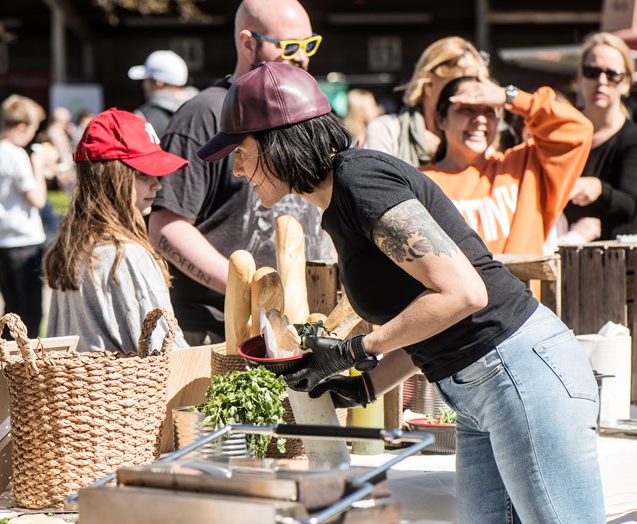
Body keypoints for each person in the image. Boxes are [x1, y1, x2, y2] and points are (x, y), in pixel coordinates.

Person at [199, 61, 604, 524]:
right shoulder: (340, 198)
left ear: (276, 141)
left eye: (241, 150)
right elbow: (429, 314)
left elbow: (464, 294)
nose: (236, 169)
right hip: (483, 388)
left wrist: (355, 349)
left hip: (517, 371)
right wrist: (363, 385)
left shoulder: (359, 181)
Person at [150, 0, 332, 345]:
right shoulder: (204, 115)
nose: (302, 56)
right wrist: (246, 291)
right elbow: (165, 227)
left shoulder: (307, 111)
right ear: (248, 42)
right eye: (289, 45)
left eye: (310, 45)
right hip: (218, 327)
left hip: (295, 326)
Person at [44, 108, 188, 353]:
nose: (157, 183)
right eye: (142, 174)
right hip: (129, 391)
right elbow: (165, 352)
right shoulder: (125, 254)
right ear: (110, 178)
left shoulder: (75, 246)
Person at [420, 76, 591, 255]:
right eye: (467, 109)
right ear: (441, 120)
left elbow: (579, 130)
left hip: (522, 283)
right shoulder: (420, 183)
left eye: (489, 110)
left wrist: (510, 97)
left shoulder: (526, 166)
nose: (480, 119)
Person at [563, 32, 637, 241]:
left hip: (616, 259)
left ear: (626, 83)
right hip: (561, 252)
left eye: (612, 75)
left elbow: (630, 204)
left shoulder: (635, 138)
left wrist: (599, 189)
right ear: (580, 77)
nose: (601, 81)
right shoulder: (563, 129)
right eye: (592, 71)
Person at [0, 95, 48, 334]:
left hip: (1, 239)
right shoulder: (16, 155)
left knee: (11, 312)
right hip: (25, 241)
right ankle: (28, 367)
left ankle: (8, 365)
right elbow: (37, 198)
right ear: (21, 127)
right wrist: (38, 164)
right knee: (30, 315)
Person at [364, 36, 489, 167]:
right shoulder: (388, 131)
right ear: (429, 85)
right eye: (456, 87)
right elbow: (377, 184)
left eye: (476, 89)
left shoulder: (477, 134)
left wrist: (506, 96)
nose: (468, 98)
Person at [128, 50, 196, 136]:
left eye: (146, 80)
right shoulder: (201, 110)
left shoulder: (142, 118)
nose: (143, 86)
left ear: (158, 83)